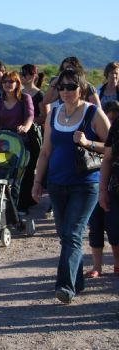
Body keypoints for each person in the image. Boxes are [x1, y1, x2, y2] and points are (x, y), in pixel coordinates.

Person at [32, 69, 110, 304]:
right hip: (57, 184)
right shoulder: (54, 113)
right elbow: (45, 152)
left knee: (73, 234)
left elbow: (112, 146)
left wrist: (89, 142)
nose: (65, 91)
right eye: (61, 87)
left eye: (71, 87)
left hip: (85, 185)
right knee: (64, 235)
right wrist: (37, 182)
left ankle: (64, 286)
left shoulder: (93, 113)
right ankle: (77, 282)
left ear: (82, 88)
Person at [0, 71, 35, 213]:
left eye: (11, 81)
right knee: (1, 174)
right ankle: (0, 205)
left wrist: (25, 128)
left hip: (20, 142)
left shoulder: (25, 98)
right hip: (3, 143)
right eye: (5, 82)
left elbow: (30, 117)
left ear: (17, 84)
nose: (8, 84)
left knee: (19, 176)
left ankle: (19, 207)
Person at [87, 100, 119, 278]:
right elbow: (107, 157)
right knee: (102, 225)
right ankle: (100, 265)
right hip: (105, 182)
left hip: (108, 182)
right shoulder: (115, 128)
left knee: (114, 227)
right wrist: (103, 190)